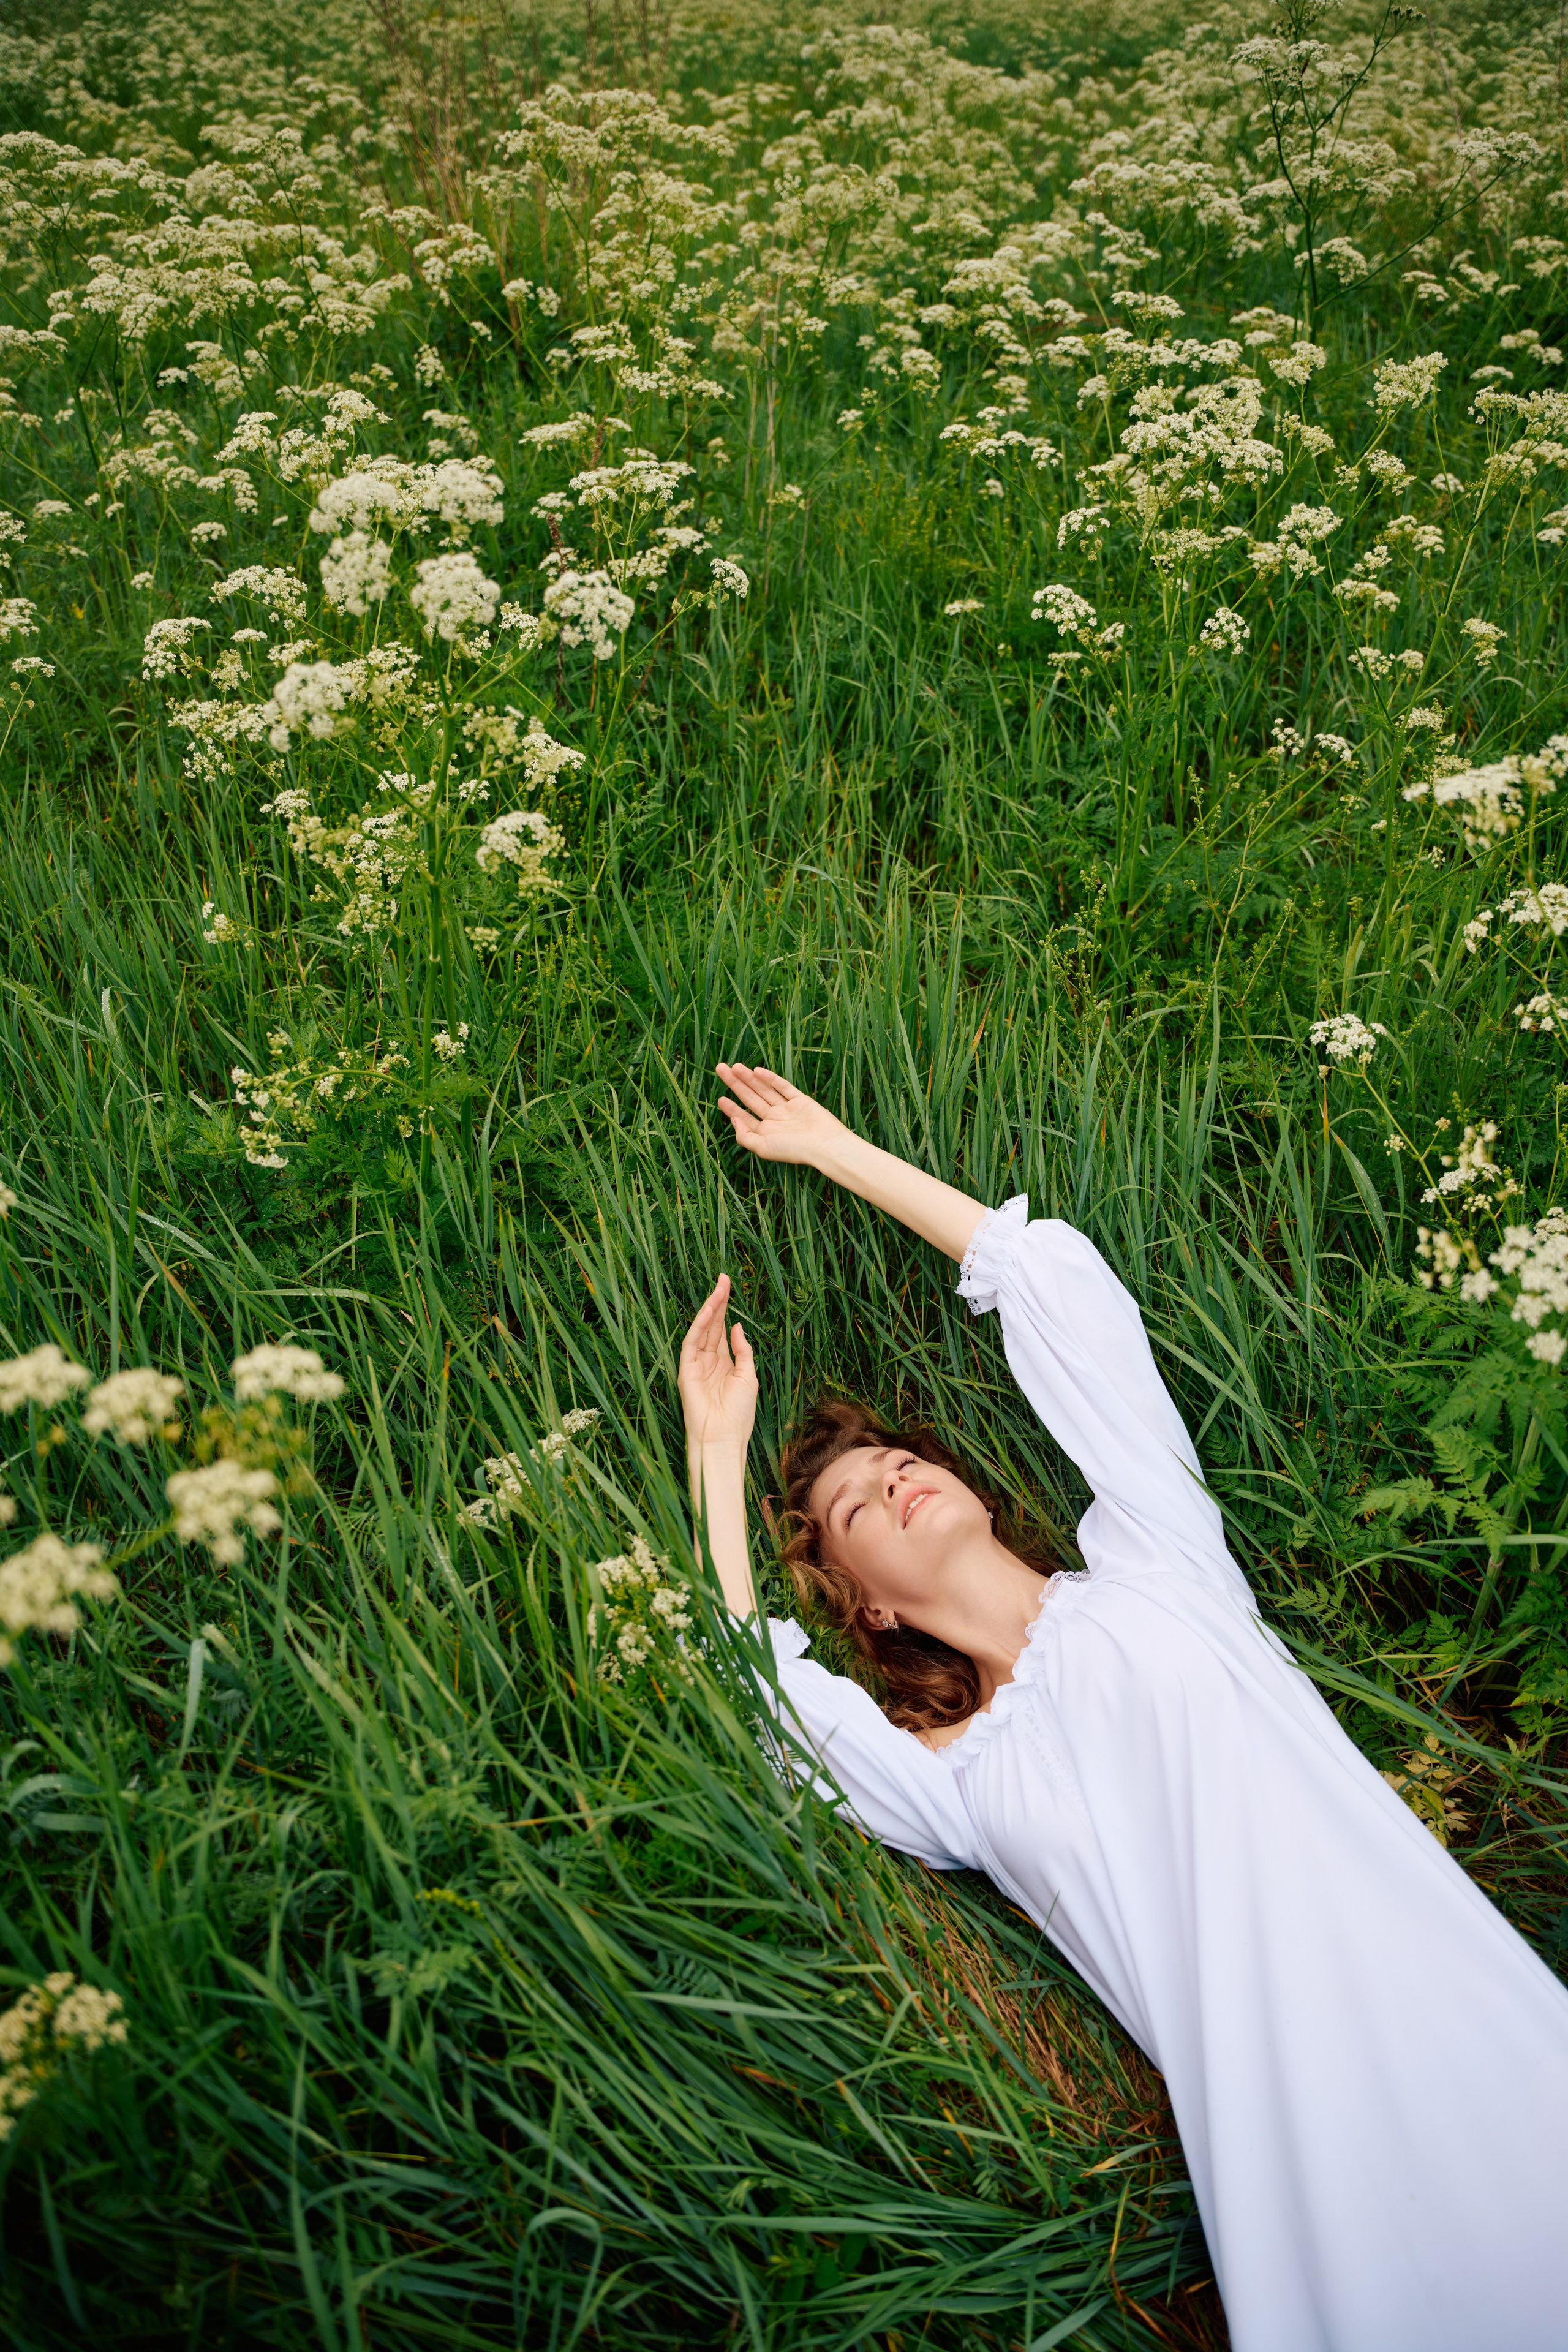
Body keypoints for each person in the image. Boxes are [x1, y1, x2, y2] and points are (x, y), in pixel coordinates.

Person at [676, 1061, 1568, 2352]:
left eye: (900, 1462)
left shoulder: (1157, 1561)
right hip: (1283, 2140)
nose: (896, 1485)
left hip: (1438, 1998)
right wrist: (717, 1456)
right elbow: (768, 1709)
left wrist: (833, 1149)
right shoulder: (959, 1781)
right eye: (858, 1508)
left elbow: (1064, 1303)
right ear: (863, 1604)